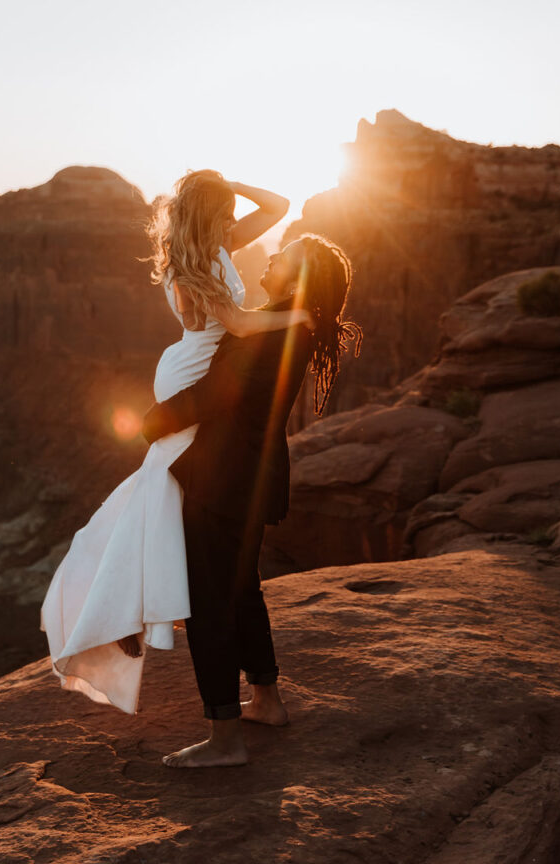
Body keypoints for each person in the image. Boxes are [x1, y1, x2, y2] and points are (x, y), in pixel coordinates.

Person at [39, 169, 313, 714]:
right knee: (174, 489)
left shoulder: (210, 246)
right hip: (193, 372)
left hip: (192, 365)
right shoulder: (202, 261)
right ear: (208, 216)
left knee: (166, 491)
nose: (235, 220)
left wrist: (225, 183)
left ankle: (137, 595)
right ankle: (132, 600)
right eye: (224, 211)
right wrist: (296, 314)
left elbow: (278, 203)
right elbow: (235, 325)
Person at [142, 234, 362, 767]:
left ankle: (224, 739)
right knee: (241, 588)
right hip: (252, 477)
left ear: (299, 275)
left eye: (283, 256)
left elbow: (219, 392)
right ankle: (267, 701)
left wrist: (151, 423)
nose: (271, 257)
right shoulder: (290, 321)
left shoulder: (273, 330)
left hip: (223, 479)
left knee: (209, 602)